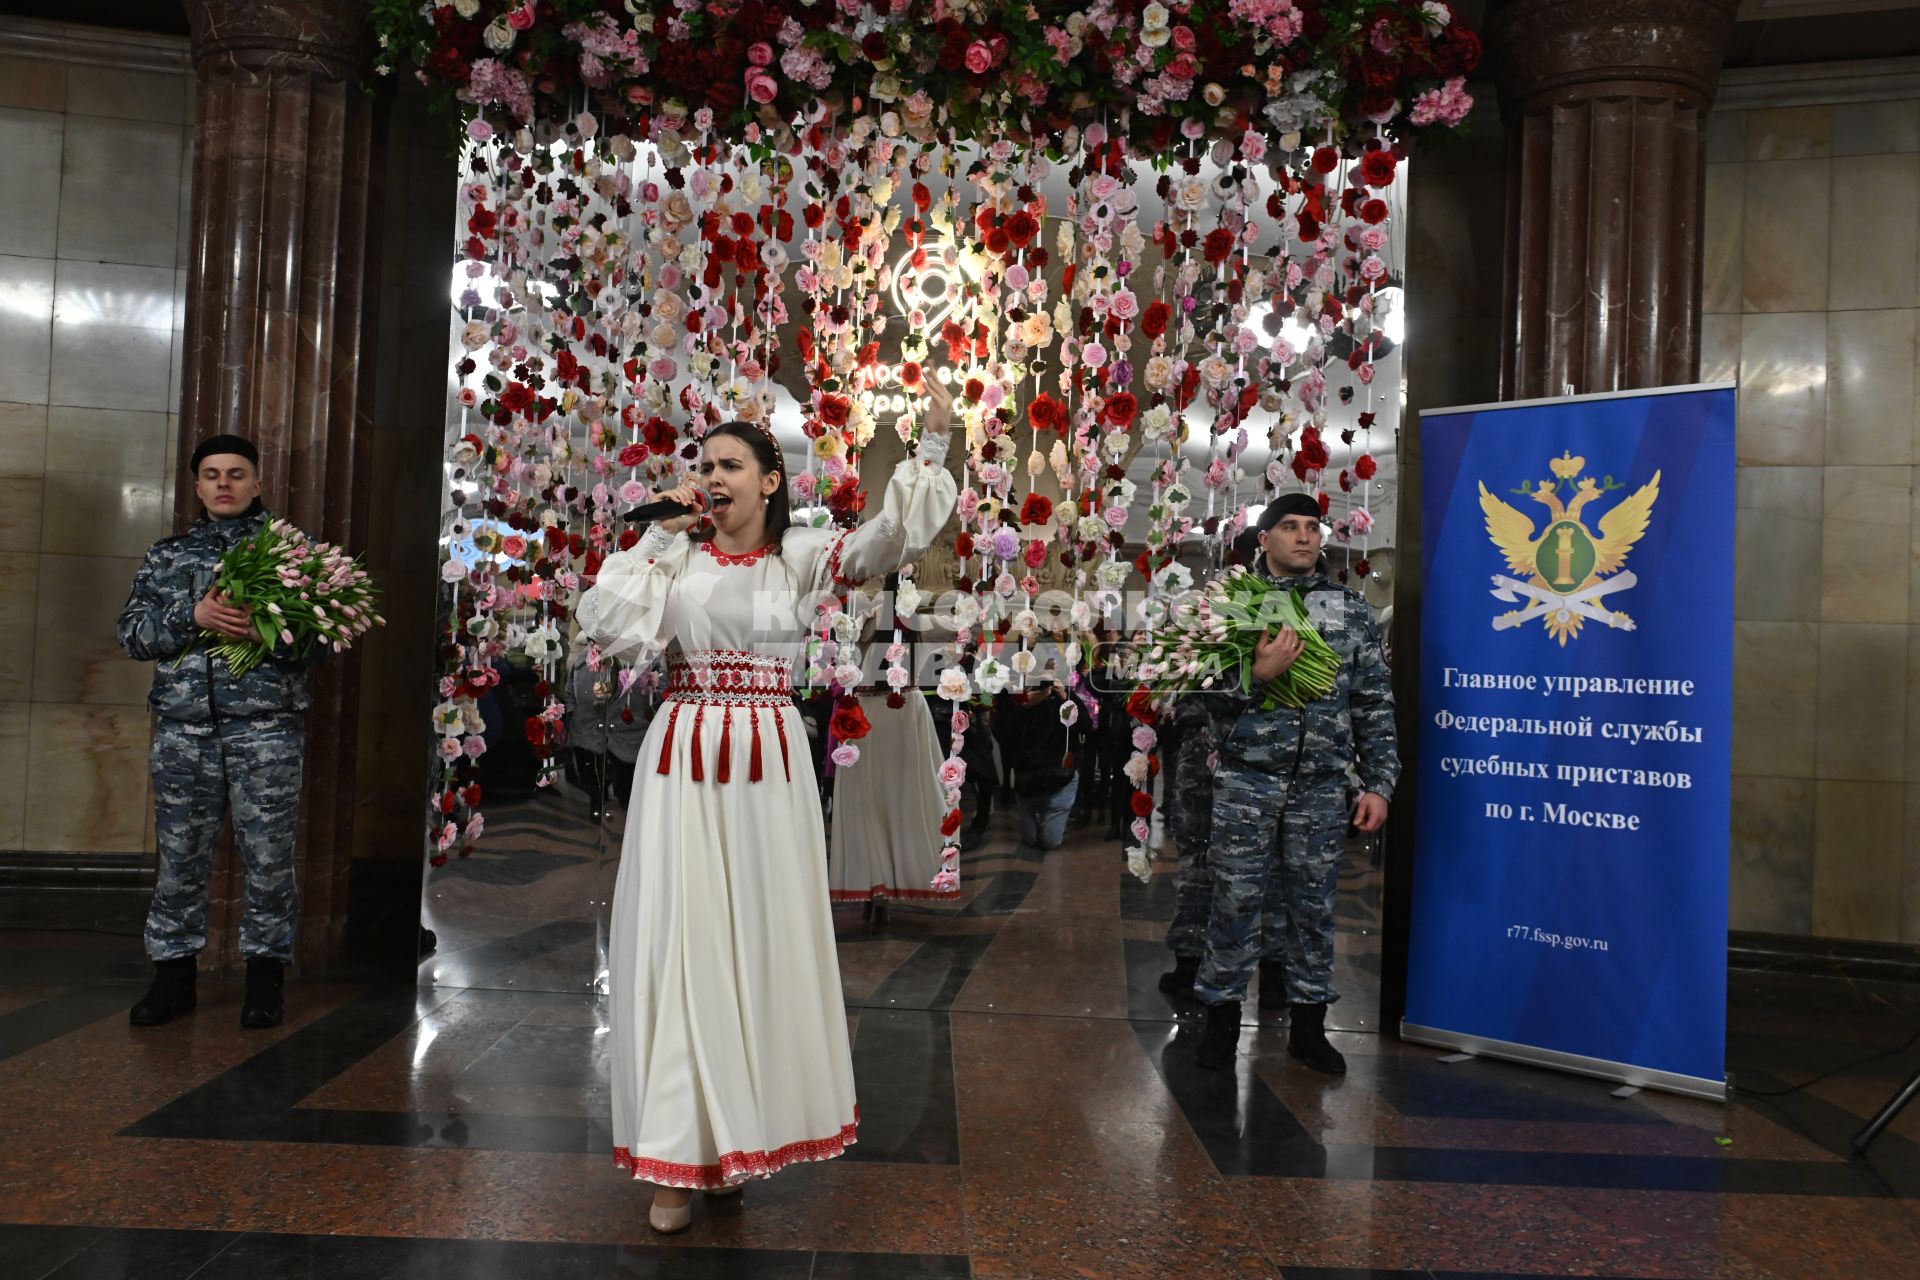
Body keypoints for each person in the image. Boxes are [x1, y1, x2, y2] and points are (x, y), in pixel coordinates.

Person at [576, 384, 955, 1234]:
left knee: (756, 939)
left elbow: (886, 543)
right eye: (702, 465)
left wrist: (927, 451)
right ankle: (680, 1154)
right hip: (683, 756)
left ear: (769, 480)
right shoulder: (670, 554)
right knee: (682, 938)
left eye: (729, 465)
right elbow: (610, 627)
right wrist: (651, 535)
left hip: (769, 758)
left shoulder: (805, 555)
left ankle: (739, 1136)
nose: (710, 477)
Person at [1191, 493, 1399, 1076]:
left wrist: (1379, 783)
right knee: (1234, 903)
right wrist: (1254, 677)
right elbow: (1199, 696)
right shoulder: (1232, 605)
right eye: (1289, 527)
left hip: (1321, 788)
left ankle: (1309, 1028)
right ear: (1264, 539)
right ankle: (1221, 1022)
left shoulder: (1349, 611)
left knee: (1312, 907)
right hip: (1248, 781)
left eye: (1313, 527)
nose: (1305, 537)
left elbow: (1374, 704)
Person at [115, 435, 313, 1031]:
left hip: (265, 731)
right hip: (182, 732)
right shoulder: (167, 556)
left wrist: (270, 633)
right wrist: (191, 615)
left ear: (257, 483)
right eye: (211, 474)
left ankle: (265, 982)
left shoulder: (290, 554)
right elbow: (132, 636)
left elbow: (324, 641)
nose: (223, 484)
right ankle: (173, 980)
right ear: (196, 486)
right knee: (179, 858)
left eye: (236, 474)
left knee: (270, 859)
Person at [828, 684, 955, 921]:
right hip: (866, 707)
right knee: (866, 800)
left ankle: (881, 884)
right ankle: (873, 882)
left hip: (900, 707)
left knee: (893, 798)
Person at [992, 680, 1080, 851]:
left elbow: (1086, 725)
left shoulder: (1062, 694)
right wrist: (1024, 706)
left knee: (1050, 842)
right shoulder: (1015, 694)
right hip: (1027, 779)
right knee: (1030, 839)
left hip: (1058, 777)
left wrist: (1065, 697)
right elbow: (1003, 734)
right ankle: (1046, 818)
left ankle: (1052, 819)